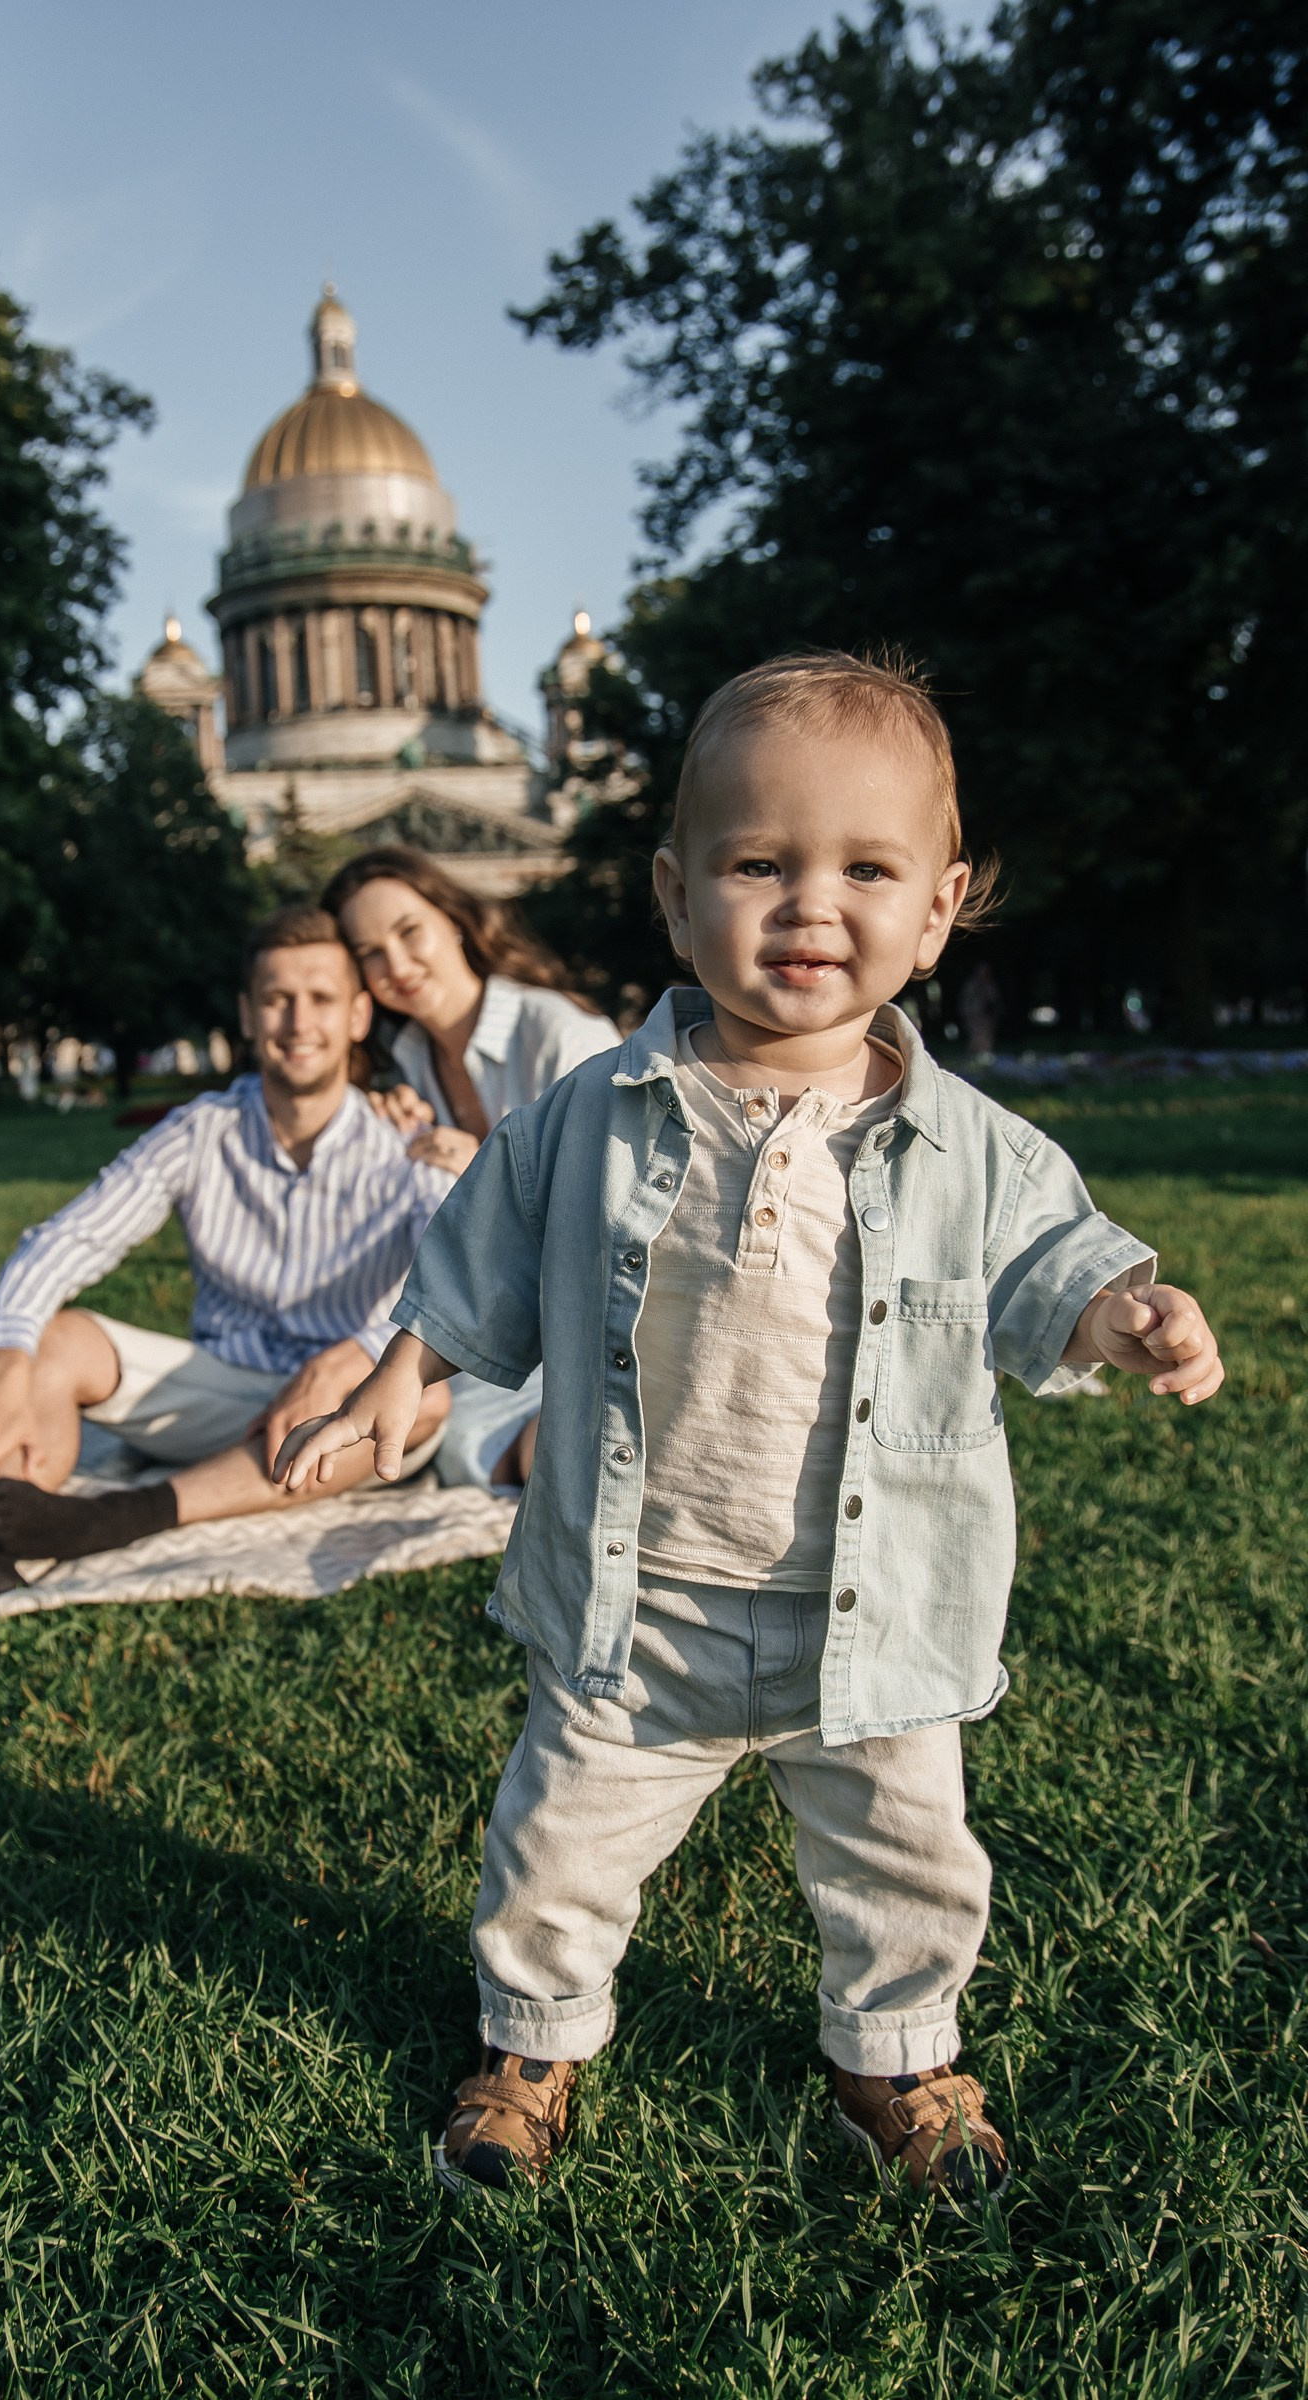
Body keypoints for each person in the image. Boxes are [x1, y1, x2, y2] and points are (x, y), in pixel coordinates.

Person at [277, 654, 1224, 2205]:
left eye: (865, 868)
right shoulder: (589, 1113)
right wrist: (409, 1369)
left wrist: (1123, 1311)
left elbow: (1053, 1260)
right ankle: (532, 2037)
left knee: (906, 1860)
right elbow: (484, 1255)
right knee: (560, 1839)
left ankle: (895, 2053)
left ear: (938, 908)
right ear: (676, 894)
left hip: (876, 1611)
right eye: (758, 863)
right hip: (637, 1599)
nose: (808, 906)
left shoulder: (974, 1144)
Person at [0, 905, 454, 1629]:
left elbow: (450, 1282)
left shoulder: (407, 1146)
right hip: (218, 1394)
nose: (299, 1022)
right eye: (277, 999)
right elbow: (70, 1239)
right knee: (53, 1341)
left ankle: (113, 1519)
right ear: (246, 1013)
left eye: (322, 999)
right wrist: (4, 1364)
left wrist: (357, 1355)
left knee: (424, 1396)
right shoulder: (200, 1131)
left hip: (341, 1412)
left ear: (360, 1016)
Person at [322, 847, 620, 1490]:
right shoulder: (409, 1062)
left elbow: (619, 1208)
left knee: (452, 1444)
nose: (396, 965)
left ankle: (597, 1445)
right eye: (370, 952)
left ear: (453, 920)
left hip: (590, 1319)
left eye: (409, 932)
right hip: (500, 1322)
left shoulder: (559, 1033)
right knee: (429, 1436)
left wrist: (493, 1175)